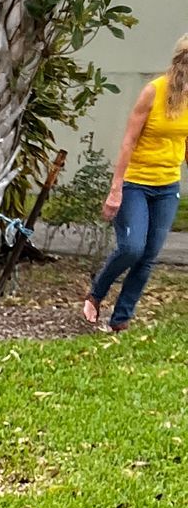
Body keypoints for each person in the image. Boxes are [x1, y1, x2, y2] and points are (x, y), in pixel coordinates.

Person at [85, 39, 188, 332]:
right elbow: (128, 141)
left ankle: (121, 319)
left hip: (168, 186)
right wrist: (115, 189)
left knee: (149, 256)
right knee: (132, 248)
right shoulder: (153, 91)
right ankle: (96, 293)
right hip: (136, 183)